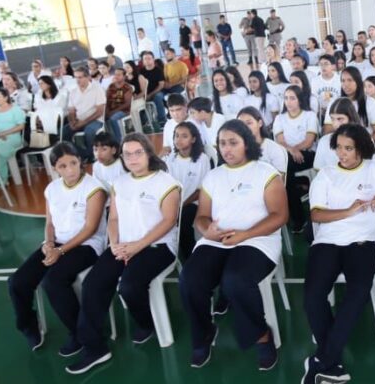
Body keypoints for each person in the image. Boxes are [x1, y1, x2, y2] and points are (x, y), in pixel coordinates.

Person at [302, 123, 375, 383]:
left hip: (363, 243)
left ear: (361, 149)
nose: (342, 154)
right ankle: (330, 361)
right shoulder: (326, 175)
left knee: (357, 293)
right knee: (312, 296)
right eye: (339, 148)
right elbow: (316, 214)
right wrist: (349, 210)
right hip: (327, 241)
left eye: (348, 148)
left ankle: (322, 360)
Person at [178, 120, 287, 370]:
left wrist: (245, 234)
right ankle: (204, 333)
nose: (227, 149)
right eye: (222, 143)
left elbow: (279, 216)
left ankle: (262, 335)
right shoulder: (214, 176)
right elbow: (201, 217)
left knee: (235, 281)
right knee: (189, 280)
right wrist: (209, 231)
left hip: (258, 240)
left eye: (233, 142)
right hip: (217, 242)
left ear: (247, 144)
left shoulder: (265, 173)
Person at [67, 135, 178, 374]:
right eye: (127, 154)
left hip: (157, 247)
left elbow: (169, 221)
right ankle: (95, 348)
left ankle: (146, 322)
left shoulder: (166, 182)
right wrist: (115, 244)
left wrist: (137, 246)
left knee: (128, 286)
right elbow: (114, 218)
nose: (132, 158)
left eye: (138, 152)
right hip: (122, 245)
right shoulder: (120, 183)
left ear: (148, 153)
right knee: (93, 284)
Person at [8, 142, 107, 356]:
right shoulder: (52, 189)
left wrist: (60, 252)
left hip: (86, 245)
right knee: (17, 281)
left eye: (73, 163)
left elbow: (90, 229)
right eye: (63, 166)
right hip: (58, 243)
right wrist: (49, 243)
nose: (70, 169)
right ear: (55, 168)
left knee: (53, 281)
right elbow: (50, 223)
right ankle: (29, 325)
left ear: (80, 161)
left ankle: (79, 333)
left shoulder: (94, 188)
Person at [272, 85, 318, 233]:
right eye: (286, 98)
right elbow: (280, 141)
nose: (288, 102)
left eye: (292, 98)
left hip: (308, 154)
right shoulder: (279, 118)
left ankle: (298, 218)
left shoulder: (309, 115)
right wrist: (292, 150)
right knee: (286, 170)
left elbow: (309, 141)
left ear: (299, 100)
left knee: (285, 170)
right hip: (288, 155)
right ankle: (298, 214)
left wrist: (296, 149)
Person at [166, 121, 210, 260]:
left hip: (194, 202)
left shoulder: (202, 159)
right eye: (176, 135)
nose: (178, 139)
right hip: (174, 203)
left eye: (184, 136)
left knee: (183, 222)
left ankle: (191, 259)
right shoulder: (170, 159)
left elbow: (201, 190)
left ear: (193, 139)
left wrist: (181, 205)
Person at [63, 67, 107, 160]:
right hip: (79, 120)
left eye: (80, 77)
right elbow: (71, 110)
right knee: (64, 133)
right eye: (76, 77)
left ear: (88, 77)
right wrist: (72, 122)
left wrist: (83, 122)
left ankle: (91, 156)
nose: (77, 80)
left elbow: (100, 111)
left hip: (95, 119)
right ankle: (83, 154)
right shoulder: (73, 91)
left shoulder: (97, 89)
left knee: (89, 131)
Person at [0, 88, 26, 183]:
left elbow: (21, 126)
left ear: (5, 97)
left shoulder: (15, 109)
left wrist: (4, 133)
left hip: (12, 137)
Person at [311, 98, 360, 172]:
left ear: (351, 118)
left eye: (340, 119)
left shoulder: (365, 140)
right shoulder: (324, 141)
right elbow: (319, 172)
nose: (335, 124)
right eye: (332, 119)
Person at [104, 67, 136, 141]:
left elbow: (127, 103)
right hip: (111, 110)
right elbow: (107, 100)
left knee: (113, 119)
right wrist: (107, 111)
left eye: (119, 75)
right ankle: (109, 140)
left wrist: (113, 112)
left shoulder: (127, 87)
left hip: (123, 110)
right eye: (115, 74)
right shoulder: (111, 86)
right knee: (102, 119)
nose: (116, 76)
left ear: (124, 76)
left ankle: (119, 140)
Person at [138, 52, 168, 125]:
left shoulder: (158, 70)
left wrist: (150, 95)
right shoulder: (141, 72)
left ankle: (162, 120)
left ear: (153, 59)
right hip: (145, 93)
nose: (147, 60)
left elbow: (161, 85)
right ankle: (143, 122)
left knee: (157, 97)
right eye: (145, 59)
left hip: (158, 91)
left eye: (149, 58)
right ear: (143, 61)